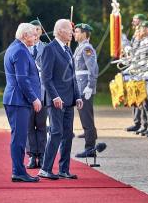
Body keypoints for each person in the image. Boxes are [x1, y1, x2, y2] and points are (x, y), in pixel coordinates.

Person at [38, 19, 83, 180]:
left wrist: (77, 96)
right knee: (56, 133)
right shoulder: (50, 49)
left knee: (67, 135)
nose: (72, 32)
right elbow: (46, 78)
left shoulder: (68, 50)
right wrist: (55, 96)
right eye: (69, 30)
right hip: (56, 100)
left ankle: (64, 169)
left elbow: (72, 77)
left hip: (69, 101)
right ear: (60, 31)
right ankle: (45, 168)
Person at [3, 23, 42, 182]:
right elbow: (22, 79)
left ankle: (18, 171)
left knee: (19, 136)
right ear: (25, 35)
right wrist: (34, 98)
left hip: (16, 99)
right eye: (33, 34)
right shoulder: (20, 51)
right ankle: (18, 172)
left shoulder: (15, 47)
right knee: (19, 138)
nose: (35, 37)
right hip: (18, 100)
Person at [72, 23, 105, 158]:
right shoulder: (79, 48)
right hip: (80, 86)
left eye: (77, 31)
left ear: (85, 34)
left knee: (87, 119)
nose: (74, 34)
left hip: (85, 87)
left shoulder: (86, 48)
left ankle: (90, 147)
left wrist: (90, 87)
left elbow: (93, 70)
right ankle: (90, 144)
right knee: (85, 117)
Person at [25, 20, 48, 169]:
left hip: (43, 92)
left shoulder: (46, 48)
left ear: (41, 31)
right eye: (33, 30)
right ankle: (32, 156)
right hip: (28, 92)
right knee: (29, 126)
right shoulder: (24, 48)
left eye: (38, 29)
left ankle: (42, 155)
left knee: (41, 125)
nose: (36, 32)